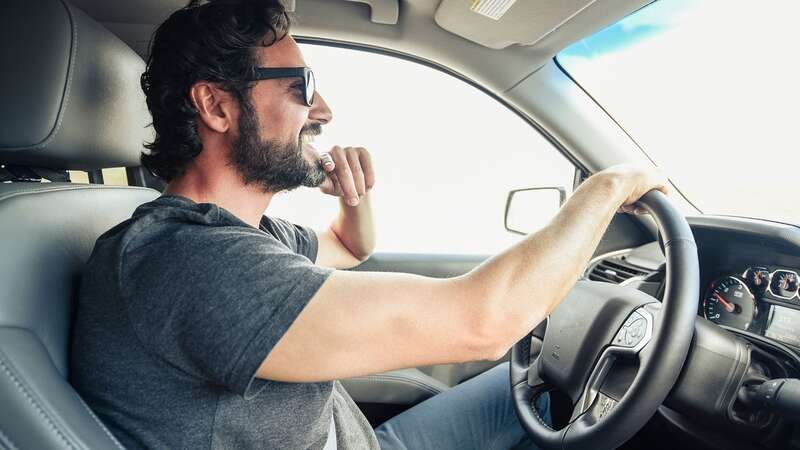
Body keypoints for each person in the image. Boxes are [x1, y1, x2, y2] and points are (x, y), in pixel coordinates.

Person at [69, 0, 668, 449]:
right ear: (217, 106)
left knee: (547, 391)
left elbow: (348, 247)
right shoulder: (189, 261)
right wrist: (608, 186)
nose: (324, 111)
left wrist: (353, 198)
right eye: (304, 87)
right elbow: (484, 324)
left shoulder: (247, 235)